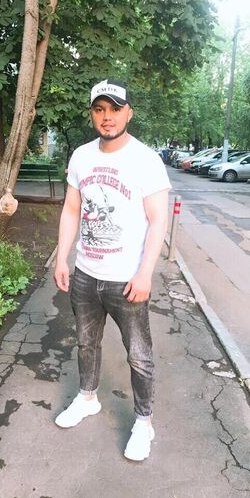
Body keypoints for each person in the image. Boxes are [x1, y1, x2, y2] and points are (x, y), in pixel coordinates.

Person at [53, 79, 171, 461]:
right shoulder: (81, 157)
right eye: (99, 109)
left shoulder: (146, 160)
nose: (107, 117)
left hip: (127, 280)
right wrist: (62, 258)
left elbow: (158, 220)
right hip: (86, 274)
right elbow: (72, 209)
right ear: (92, 113)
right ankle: (87, 398)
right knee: (86, 343)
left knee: (138, 355)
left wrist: (145, 272)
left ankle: (144, 422)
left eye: (115, 109)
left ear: (128, 113)